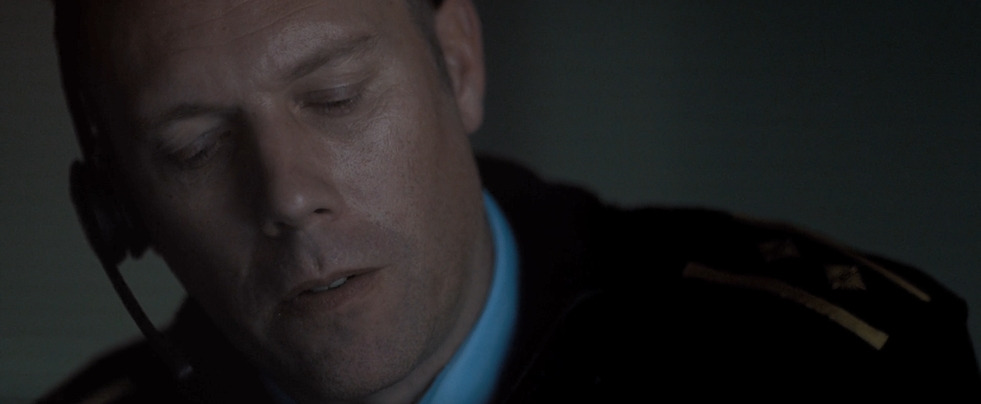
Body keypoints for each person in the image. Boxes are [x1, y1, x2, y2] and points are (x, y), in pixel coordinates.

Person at [40, 0, 980, 402]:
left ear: (457, 64)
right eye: (195, 148)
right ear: (122, 212)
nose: (286, 195)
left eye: (335, 97)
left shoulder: (828, 371)